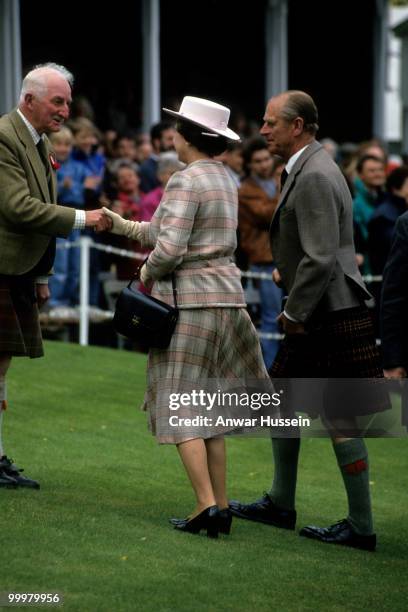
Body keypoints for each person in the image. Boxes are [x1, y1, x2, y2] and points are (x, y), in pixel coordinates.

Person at [103, 96, 271, 538]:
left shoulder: (184, 179)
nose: (171, 134)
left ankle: (203, 505)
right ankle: (219, 504)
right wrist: (117, 223)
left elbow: (169, 249)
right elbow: (158, 232)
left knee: (181, 408)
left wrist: (143, 273)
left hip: (190, 304)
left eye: (176, 128)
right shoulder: (225, 178)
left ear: (190, 135)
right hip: (228, 303)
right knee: (209, 411)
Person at [229, 90, 389, 551]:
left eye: (270, 123)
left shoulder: (315, 172)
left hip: (327, 311)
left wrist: (294, 312)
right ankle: (281, 502)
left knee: (339, 418)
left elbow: (321, 259)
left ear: (296, 126)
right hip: (327, 306)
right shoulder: (310, 165)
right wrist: (289, 268)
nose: (263, 131)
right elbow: (320, 250)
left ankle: (360, 528)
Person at [0, 63, 109, 489]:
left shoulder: (37, 139)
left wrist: (43, 274)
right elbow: (18, 208)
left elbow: (40, 205)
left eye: (67, 101)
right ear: (29, 100)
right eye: (57, 101)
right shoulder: (5, 136)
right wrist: (85, 218)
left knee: (2, 365)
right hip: (4, 268)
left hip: (20, 271)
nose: (65, 110)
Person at [238, 137, 283, 368]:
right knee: (270, 319)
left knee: (288, 319)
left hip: (282, 257)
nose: (264, 164)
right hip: (264, 261)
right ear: (249, 165)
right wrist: (283, 190)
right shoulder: (246, 190)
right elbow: (267, 214)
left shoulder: (275, 181)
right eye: (258, 161)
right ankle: (269, 370)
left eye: (266, 159)